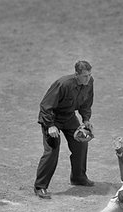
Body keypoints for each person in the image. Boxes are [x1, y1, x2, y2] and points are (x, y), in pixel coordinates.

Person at [34, 61, 95, 199]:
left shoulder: (89, 82)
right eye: (85, 76)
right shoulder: (63, 84)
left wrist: (86, 120)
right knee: (52, 151)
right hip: (52, 117)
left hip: (68, 117)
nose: (88, 78)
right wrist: (50, 125)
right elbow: (45, 105)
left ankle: (78, 177)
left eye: (90, 75)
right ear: (76, 74)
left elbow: (86, 103)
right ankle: (40, 186)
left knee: (81, 143)